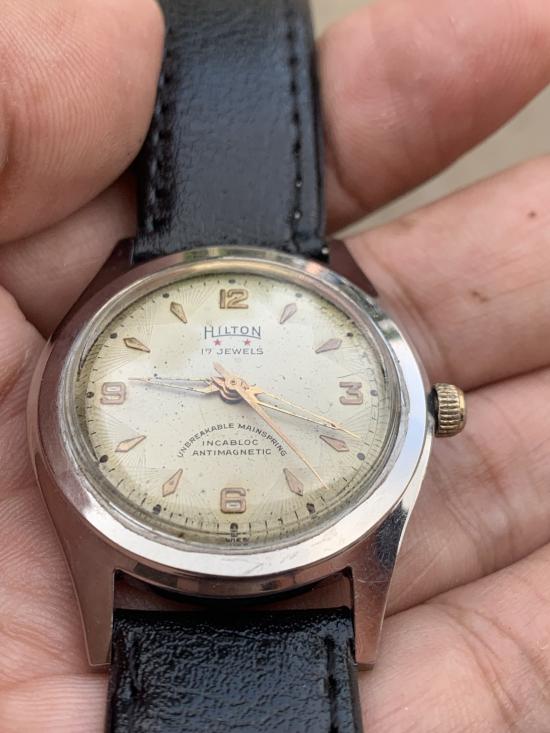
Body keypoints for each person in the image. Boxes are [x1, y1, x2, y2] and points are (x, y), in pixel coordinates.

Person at [1, 0, 550, 730]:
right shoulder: (116, 322)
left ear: (429, 409)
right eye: (226, 387)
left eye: (237, 388)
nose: (234, 391)